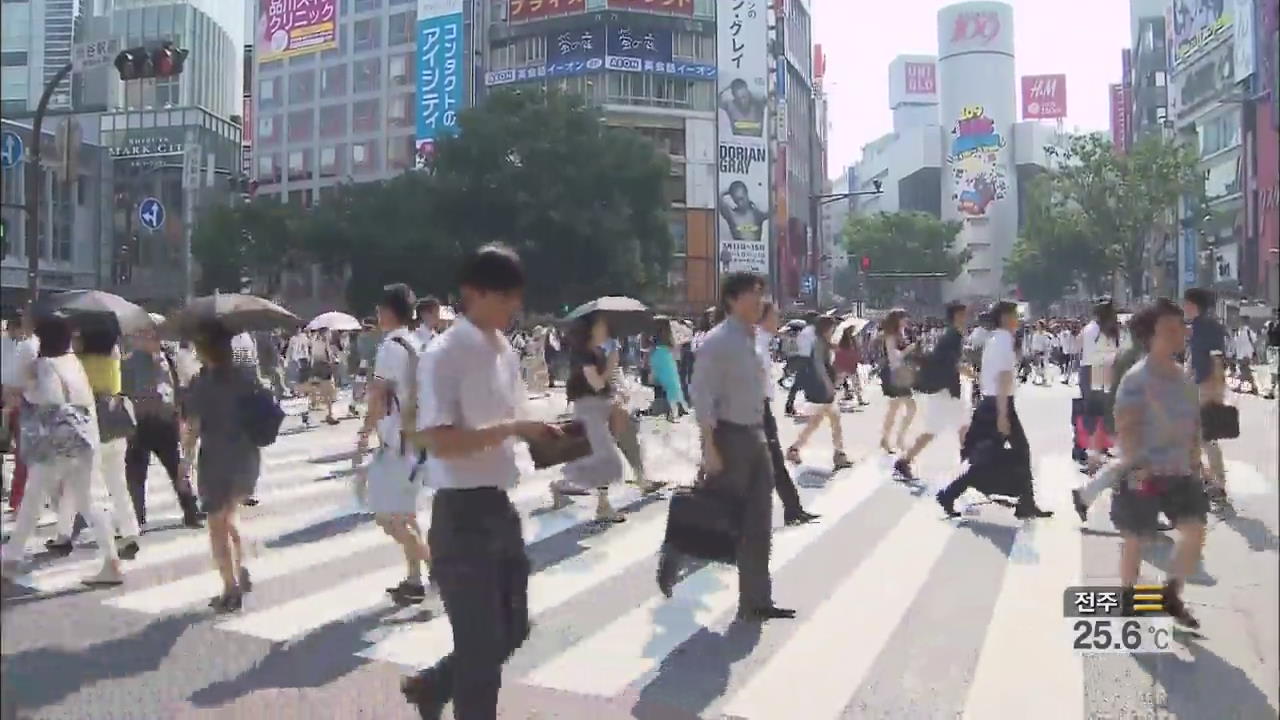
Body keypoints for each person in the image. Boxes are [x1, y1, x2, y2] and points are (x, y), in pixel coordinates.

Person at [400, 244, 561, 720]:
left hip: (499, 507)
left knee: (511, 630)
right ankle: (444, 692)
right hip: (460, 514)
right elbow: (440, 440)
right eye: (504, 296)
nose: (513, 307)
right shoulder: (444, 354)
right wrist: (514, 429)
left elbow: (511, 420)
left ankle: (432, 687)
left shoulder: (505, 351)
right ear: (473, 293)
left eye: (517, 296)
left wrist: (547, 434)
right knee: (479, 652)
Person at [657, 271, 795, 621]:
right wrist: (709, 446)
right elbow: (702, 395)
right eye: (753, 294)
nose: (760, 301)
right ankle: (679, 548)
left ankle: (756, 601)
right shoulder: (718, 341)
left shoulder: (752, 338)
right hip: (729, 436)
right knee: (716, 513)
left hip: (755, 434)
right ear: (732, 299)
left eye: (762, 294)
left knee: (759, 522)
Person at [1, 315, 124, 586]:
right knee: (90, 501)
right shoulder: (72, 362)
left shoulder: (45, 365)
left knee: (33, 499)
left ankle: (10, 561)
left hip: (56, 443)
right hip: (85, 438)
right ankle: (111, 561)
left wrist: (28, 390)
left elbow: (49, 401)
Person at [1109, 298, 1208, 628]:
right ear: (1150, 337)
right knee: (1135, 538)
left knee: (1194, 532)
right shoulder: (1136, 379)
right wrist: (1137, 466)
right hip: (1144, 472)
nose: (1180, 334)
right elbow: (1125, 425)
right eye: (1170, 329)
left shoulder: (1184, 378)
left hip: (1180, 472)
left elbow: (1194, 424)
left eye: (1181, 328)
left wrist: (1197, 459)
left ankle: (1170, 594)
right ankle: (1127, 598)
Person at [936, 301, 1053, 520]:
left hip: (992, 402)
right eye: (1015, 315)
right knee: (1005, 453)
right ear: (1005, 318)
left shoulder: (994, 340)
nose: (1018, 320)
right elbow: (1002, 378)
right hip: (999, 404)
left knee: (995, 454)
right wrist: (1002, 414)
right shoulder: (1003, 341)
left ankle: (1025, 502)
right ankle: (951, 493)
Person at [181, 322, 263, 612]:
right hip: (247, 457)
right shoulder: (246, 378)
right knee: (230, 515)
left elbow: (192, 427)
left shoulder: (203, 382)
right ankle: (241, 568)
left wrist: (184, 462)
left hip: (217, 458)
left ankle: (230, 588)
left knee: (217, 524)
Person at [358, 284, 432, 606]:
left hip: (398, 444)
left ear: (388, 312)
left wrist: (363, 432)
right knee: (405, 515)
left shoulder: (390, 346)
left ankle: (438, 571)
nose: (377, 315)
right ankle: (415, 579)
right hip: (416, 442)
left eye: (379, 309)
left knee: (386, 516)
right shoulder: (416, 342)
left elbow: (377, 395)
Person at [48, 323, 141, 559]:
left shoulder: (76, 362)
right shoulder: (113, 354)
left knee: (74, 484)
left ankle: (64, 535)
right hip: (115, 420)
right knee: (118, 484)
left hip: (89, 425)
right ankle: (130, 532)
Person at [122, 327, 204, 530]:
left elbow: (181, 388)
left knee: (177, 468)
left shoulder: (169, 359)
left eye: (156, 336)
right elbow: (123, 391)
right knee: (136, 474)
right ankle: (137, 518)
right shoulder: (129, 362)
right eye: (148, 336)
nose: (153, 340)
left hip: (166, 423)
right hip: (140, 424)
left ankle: (191, 511)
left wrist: (182, 416)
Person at [551, 313, 631, 521]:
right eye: (602, 326)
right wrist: (612, 364)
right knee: (606, 457)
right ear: (591, 329)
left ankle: (561, 486)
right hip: (588, 409)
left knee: (593, 459)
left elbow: (605, 385)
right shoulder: (582, 354)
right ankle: (602, 506)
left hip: (600, 407)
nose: (606, 330)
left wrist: (617, 393)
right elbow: (596, 384)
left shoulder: (596, 351)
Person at [894, 302, 969, 483]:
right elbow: (948, 363)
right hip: (945, 389)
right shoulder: (953, 336)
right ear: (957, 315)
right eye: (964, 314)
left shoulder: (951, 334)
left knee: (960, 425)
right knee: (949, 427)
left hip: (944, 388)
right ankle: (970, 467)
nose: (967, 317)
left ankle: (969, 465)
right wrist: (967, 371)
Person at [758, 301, 819, 525]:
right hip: (754, 410)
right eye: (775, 316)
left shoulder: (763, 341)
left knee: (774, 463)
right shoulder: (755, 342)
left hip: (762, 409)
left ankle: (793, 509)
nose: (779, 321)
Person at [785, 315, 853, 470]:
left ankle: (795, 449)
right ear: (826, 329)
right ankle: (838, 454)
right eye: (832, 328)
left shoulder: (822, 342)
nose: (833, 331)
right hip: (822, 388)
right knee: (831, 420)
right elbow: (820, 367)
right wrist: (830, 384)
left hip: (822, 387)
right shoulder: (819, 344)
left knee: (818, 422)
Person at [1182, 288, 1228, 503]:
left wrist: (1203, 385)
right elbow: (1195, 360)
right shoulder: (1201, 326)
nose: (1184, 308)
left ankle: (1217, 483)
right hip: (1203, 385)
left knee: (1207, 436)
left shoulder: (1206, 327)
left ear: (1194, 305)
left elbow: (1212, 360)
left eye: (1186, 303)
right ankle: (1205, 478)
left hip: (1208, 386)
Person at [1, 311, 38, 513]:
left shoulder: (32, 346)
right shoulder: (6, 344)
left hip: (26, 402)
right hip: (8, 399)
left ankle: (21, 500)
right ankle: (17, 499)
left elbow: (33, 378)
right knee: (18, 453)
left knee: (24, 454)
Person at [1079, 300, 1121, 472]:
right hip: (1106, 370)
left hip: (1091, 369)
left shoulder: (1090, 329)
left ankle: (1091, 453)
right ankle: (1099, 451)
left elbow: (1079, 346)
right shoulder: (1112, 330)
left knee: (1091, 414)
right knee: (1105, 412)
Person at [878, 309, 918, 453]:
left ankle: (887, 439)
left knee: (894, 408)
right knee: (909, 407)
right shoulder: (891, 336)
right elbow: (894, 358)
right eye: (903, 318)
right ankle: (898, 439)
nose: (906, 321)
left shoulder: (901, 334)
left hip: (899, 373)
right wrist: (909, 349)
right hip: (895, 374)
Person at [647, 319, 689, 420]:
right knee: (673, 387)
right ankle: (674, 410)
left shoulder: (653, 339)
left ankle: (662, 408)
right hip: (668, 361)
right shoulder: (670, 338)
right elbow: (675, 351)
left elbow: (650, 352)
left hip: (658, 360)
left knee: (660, 388)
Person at [784, 312, 818, 416]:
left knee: (802, 382)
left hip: (804, 359)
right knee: (800, 382)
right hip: (805, 360)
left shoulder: (807, 332)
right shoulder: (808, 332)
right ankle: (790, 405)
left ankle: (791, 404)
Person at [833, 326, 867, 406]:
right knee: (855, 382)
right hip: (850, 364)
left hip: (843, 364)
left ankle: (831, 399)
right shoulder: (851, 340)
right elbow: (855, 351)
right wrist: (859, 358)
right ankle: (860, 399)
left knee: (838, 382)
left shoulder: (843, 340)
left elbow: (838, 353)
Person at [1232, 321, 1258, 394]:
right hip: (1243, 355)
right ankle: (1253, 387)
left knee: (1244, 370)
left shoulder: (1248, 332)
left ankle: (1248, 387)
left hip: (1245, 355)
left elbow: (1254, 341)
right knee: (1245, 371)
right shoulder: (1240, 332)